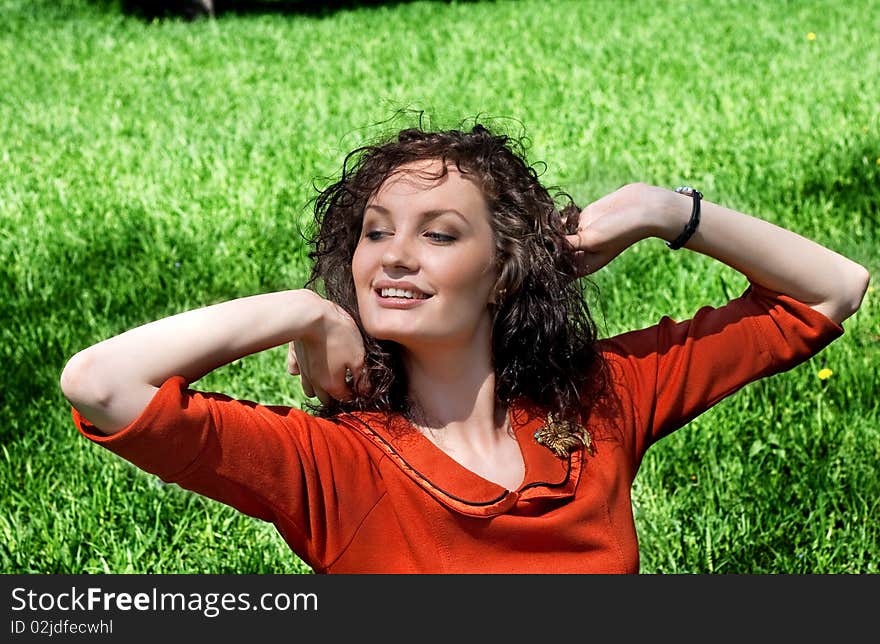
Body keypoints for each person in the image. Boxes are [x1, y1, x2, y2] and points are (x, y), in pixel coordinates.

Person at [60, 123, 869, 573]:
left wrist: (664, 211)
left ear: (505, 276)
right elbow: (100, 381)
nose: (393, 256)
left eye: (439, 233)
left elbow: (830, 289)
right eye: (373, 234)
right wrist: (303, 311)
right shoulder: (334, 467)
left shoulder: (598, 400)